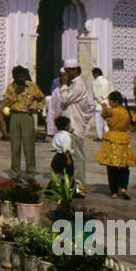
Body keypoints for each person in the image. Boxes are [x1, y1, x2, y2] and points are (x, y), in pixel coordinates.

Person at [0, 65, 45, 182]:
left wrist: (38, 109)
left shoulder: (32, 86)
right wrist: (15, 93)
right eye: (19, 77)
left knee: (29, 146)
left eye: (24, 76)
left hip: (27, 117)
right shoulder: (10, 88)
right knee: (15, 146)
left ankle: (31, 174)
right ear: (15, 77)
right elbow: (6, 104)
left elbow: (42, 98)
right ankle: (15, 174)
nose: (22, 79)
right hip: (15, 116)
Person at [59, 60, 93, 196]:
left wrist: (64, 85)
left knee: (78, 158)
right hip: (69, 127)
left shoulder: (78, 85)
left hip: (75, 126)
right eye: (65, 71)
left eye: (68, 71)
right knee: (68, 157)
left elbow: (65, 99)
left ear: (75, 71)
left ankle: (79, 187)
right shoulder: (73, 84)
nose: (66, 74)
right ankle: (70, 184)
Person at [97, 90, 136, 199]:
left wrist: (104, 107)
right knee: (124, 166)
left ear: (115, 101)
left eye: (110, 102)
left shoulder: (111, 111)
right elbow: (132, 127)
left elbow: (103, 115)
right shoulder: (128, 113)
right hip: (124, 139)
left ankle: (114, 191)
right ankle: (123, 187)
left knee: (112, 167)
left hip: (112, 139)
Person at [49, 114, 74, 180]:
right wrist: (68, 159)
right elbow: (66, 149)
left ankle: (50, 187)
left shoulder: (57, 134)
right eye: (69, 125)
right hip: (65, 157)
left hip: (57, 156)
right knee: (70, 174)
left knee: (56, 174)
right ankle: (70, 188)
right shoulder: (67, 137)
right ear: (66, 127)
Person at [91, 67, 112, 140]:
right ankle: (108, 135)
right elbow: (111, 93)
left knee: (98, 122)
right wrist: (106, 101)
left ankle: (99, 136)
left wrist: (101, 102)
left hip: (99, 105)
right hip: (107, 104)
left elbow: (95, 94)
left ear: (95, 74)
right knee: (106, 122)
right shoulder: (107, 81)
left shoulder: (95, 82)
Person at [46, 67, 64, 139]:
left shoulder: (74, 87)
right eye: (61, 75)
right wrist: (50, 130)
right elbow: (52, 109)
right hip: (58, 118)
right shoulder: (56, 89)